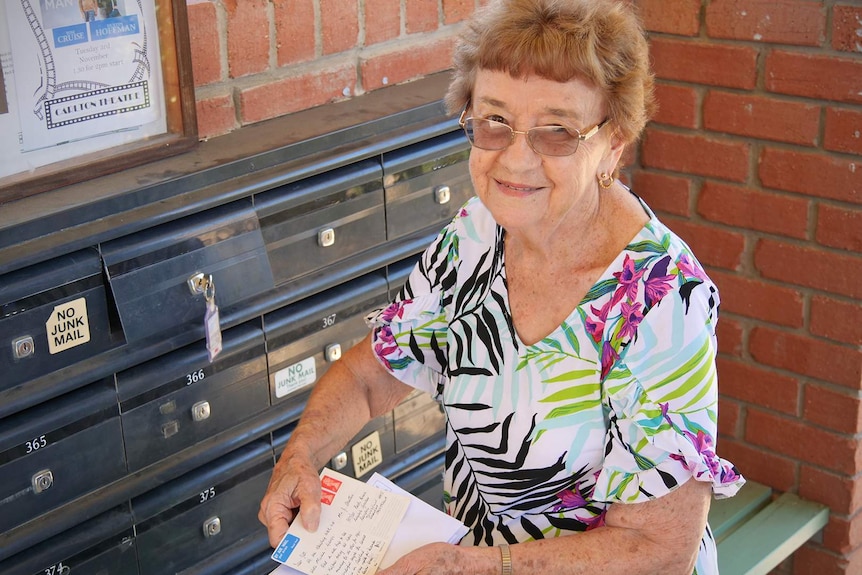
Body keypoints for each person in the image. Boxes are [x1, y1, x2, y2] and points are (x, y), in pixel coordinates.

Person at [258, 0, 745, 573]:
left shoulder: (659, 300)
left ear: (613, 142)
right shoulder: (477, 234)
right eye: (494, 121)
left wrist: (466, 567)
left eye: (557, 131)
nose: (515, 160)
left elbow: (657, 549)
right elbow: (370, 377)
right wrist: (300, 456)